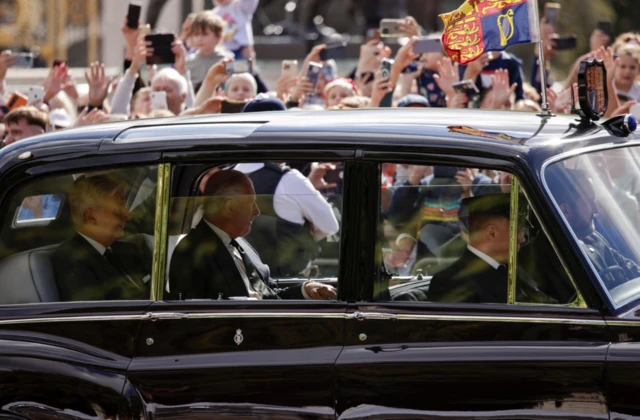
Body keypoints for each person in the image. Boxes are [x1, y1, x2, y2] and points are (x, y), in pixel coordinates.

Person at [169, 170, 337, 300]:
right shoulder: (192, 254)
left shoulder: (242, 244)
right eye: (251, 203)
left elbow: (269, 294)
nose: (257, 211)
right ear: (230, 207)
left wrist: (306, 289)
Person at [427, 193, 550, 303]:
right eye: (518, 231)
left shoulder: (512, 270)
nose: (522, 239)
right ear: (492, 233)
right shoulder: (450, 283)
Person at [52, 175, 152, 301]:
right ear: (91, 217)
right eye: (117, 211)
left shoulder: (126, 249)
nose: (128, 216)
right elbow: (96, 316)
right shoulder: (71, 259)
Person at [186, 10, 233, 88]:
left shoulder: (227, 61)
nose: (200, 39)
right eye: (196, 34)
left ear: (218, 36)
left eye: (205, 34)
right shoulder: (188, 62)